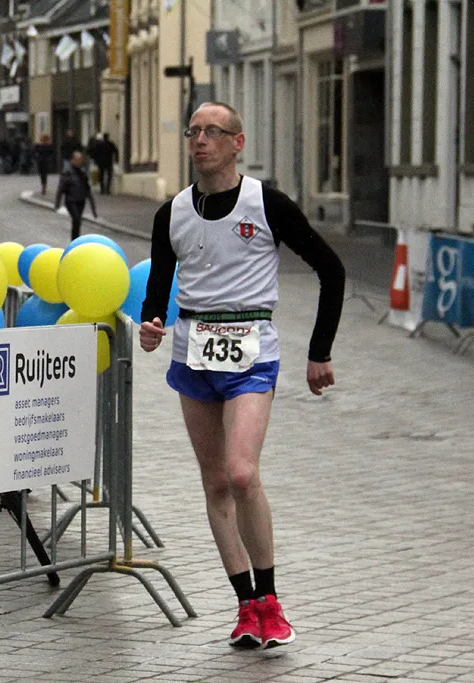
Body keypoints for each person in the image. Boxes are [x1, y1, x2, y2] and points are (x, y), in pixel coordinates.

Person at [137, 102, 346, 650]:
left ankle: (271, 601)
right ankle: (245, 606)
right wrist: (151, 324)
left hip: (251, 352)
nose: (200, 140)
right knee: (214, 483)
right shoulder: (172, 213)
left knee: (242, 474)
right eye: (194, 131)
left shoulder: (267, 204)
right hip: (194, 355)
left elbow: (332, 269)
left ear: (238, 143)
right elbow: (159, 289)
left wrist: (319, 351)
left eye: (213, 131)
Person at [55, 151, 97, 241]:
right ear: (72, 160)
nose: (79, 162)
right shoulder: (67, 172)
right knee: (76, 219)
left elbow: (87, 189)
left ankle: (76, 240)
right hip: (71, 201)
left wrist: (93, 208)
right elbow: (61, 188)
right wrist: (57, 204)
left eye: (80, 160)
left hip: (81, 200)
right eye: (77, 160)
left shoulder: (83, 173)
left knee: (78, 222)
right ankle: (74, 240)